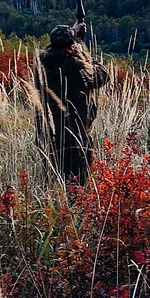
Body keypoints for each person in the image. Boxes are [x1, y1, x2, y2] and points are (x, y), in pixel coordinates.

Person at [37, 20, 109, 184]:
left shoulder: (46, 63)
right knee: (80, 179)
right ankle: (77, 205)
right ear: (70, 47)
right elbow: (101, 76)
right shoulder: (75, 67)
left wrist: (72, 36)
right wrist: (84, 54)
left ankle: (66, 202)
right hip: (79, 132)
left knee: (63, 175)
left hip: (60, 129)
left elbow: (54, 48)